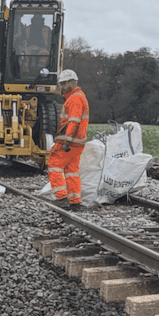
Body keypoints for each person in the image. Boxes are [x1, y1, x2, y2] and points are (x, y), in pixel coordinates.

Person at [47, 69, 89, 211]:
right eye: (61, 84)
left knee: (54, 165)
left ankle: (61, 198)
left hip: (70, 142)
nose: (61, 87)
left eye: (64, 84)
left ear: (72, 83)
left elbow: (73, 122)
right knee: (71, 171)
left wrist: (66, 142)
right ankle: (75, 201)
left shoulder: (75, 99)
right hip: (77, 143)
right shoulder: (78, 97)